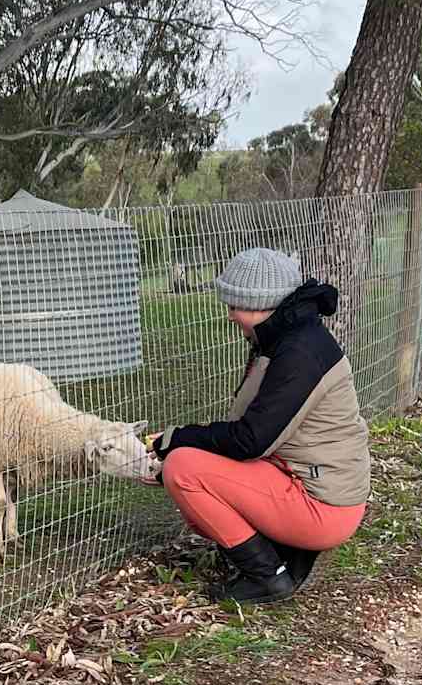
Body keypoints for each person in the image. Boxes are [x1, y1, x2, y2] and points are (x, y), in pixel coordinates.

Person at [148, 248, 369, 605]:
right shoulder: (286, 337)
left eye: (235, 305)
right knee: (186, 469)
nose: (231, 315)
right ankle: (281, 552)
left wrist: (176, 441)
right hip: (309, 483)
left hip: (324, 505)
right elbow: (251, 431)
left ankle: (269, 576)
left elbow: (249, 440)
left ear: (261, 304)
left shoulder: (299, 353)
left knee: (183, 470)